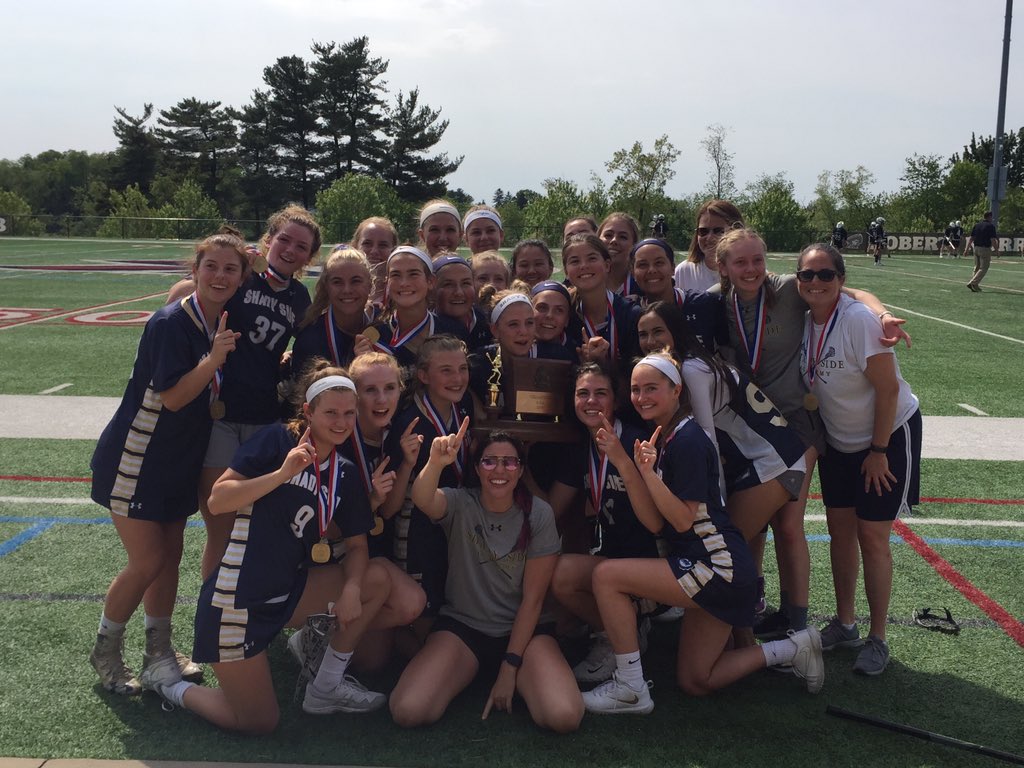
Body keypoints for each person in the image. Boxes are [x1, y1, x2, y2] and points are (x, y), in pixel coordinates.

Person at [154, 368, 397, 731]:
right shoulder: (277, 440)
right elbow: (218, 500)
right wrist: (282, 474)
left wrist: (351, 588)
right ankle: (172, 687)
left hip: (287, 592)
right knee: (259, 722)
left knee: (375, 579)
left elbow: (358, 544)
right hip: (239, 601)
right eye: (331, 412)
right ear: (308, 411)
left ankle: (325, 686)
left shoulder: (343, 471)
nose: (341, 422)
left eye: (349, 413)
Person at [581, 354, 823, 715]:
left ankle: (630, 686)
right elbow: (655, 523)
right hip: (710, 565)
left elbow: (681, 520)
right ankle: (793, 648)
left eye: (651, 388)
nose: (642, 397)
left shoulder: (688, 439)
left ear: (676, 390)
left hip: (715, 566)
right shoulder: (668, 436)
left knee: (606, 576)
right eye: (635, 389)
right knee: (696, 680)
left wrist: (646, 474)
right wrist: (623, 463)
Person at [712, 227, 910, 639]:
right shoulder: (716, 302)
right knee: (760, 524)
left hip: (797, 424)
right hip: (749, 427)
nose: (750, 269)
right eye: (740, 262)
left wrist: (882, 314)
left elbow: (851, 293)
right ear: (724, 267)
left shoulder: (788, 289)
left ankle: (797, 623)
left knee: (789, 524)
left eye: (757, 259)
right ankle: (763, 608)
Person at [89, 232, 249, 696]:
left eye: (230, 269)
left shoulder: (217, 320)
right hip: (137, 456)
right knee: (148, 559)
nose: (220, 276)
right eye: (211, 266)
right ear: (194, 271)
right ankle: (105, 650)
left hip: (178, 459)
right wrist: (214, 358)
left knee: (171, 559)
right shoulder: (171, 322)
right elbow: (174, 397)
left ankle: (158, 652)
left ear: (242, 278)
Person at [389, 425, 584, 732]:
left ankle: (514, 675)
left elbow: (533, 601)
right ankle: (462, 668)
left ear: (521, 470)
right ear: (478, 468)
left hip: (526, 634)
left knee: (563, 716)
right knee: (408, 710)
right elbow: (423, 498)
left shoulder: (539, 513)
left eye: (510, 462)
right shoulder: (461, 502)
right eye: (490, 461)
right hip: (464, 628)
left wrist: (509, 667)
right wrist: (436, 463)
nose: (500, 470)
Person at [796, 244, 922, 676]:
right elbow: (859, 290)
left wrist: (878, 451)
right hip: (838, 441)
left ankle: (878, 637)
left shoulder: (857, 321)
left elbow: (888, 390)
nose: (816, 282)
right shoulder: (804, 315)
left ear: (840, 279)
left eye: (825, 275)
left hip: (886, 436)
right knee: (840, 532)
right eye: (807, 274)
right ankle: (846, 623)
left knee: (872, 536)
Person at [196, 206, 320, 581]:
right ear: (268, 240)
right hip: (221, 414)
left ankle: (248, 602)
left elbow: (305, 347)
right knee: (220, 523)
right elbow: (193, 293)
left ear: (310, 257)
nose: (290, 250)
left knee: (256, 524)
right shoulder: (242, 276)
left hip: (265, 418)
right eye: (284, 239)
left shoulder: (300, 297)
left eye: (301, 246)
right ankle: (211, 607)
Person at [548, 363, 658, 683]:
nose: (591, 401)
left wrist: (623, 461)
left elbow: (657, 521)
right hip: (614, 557)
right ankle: (622, 631)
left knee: (592, 574)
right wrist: (522, 470)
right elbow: (551, 510)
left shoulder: (637, 440)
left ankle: (625, 633)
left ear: (616, 400)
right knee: (561, 573)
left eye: (601, 393)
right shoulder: (581, 448)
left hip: (656, 559)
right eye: (583, 393)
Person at [380, 335, 474, 632]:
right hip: (416, 527)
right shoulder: (408, 423)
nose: (457, 378)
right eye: (446, 370)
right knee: (421, 621)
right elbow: (388, 508)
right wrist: (407, 463)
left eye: (462, 369)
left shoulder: (463, 407)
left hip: (451, 522)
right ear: (423, 375)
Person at [358, 246, 466, 370]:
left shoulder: (453, 331)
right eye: (396, 275)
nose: (404, 283)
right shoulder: (373, 337)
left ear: (430, 281)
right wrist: (362, 364)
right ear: (387, 283)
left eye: (413, 274)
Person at [291, 247, 373, 376]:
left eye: (356, 281)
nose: (347, 290)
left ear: (370, 285)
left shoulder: (382, 331)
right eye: (337, 282)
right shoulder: (310, 340)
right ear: (326, 287)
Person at [562, 233, 641, 367]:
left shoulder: (632, 315)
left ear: (607, 265)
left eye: (592, 259)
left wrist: (602, 363)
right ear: (566, 272)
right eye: (575, 261)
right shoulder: (565, 317)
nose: (584, 266)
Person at [673, 199, 744, 294]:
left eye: (718, 231)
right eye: (703, 231)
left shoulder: (748, 270)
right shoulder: (684, 271)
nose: (709, 238)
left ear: (736, 231)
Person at [433, 254, 492, 351]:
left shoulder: (487, 321)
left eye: (466, 283)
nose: (459, 292)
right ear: (432, 288)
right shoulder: (427, 328)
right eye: (448, 284)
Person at [351, 216, 399, 307]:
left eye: (383, 245)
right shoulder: (341, 290)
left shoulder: (401, 292)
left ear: (394, 250)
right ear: (354, 247)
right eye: (367, 243)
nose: (374, 251)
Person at [598, 212, 641, 299]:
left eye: (622, 237)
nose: (614, 240)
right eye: (608, 235)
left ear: (634, 245)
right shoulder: (585, 283)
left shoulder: (643, 285)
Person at [965, 211, 999, 292]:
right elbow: (993, 240)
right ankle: (973, 283)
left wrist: (966, 249)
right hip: (985, 248)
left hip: (976, 248)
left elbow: (971, 238)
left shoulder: (977, 225)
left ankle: (975, 285)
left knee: (977, 267)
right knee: (984, 268)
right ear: (989, 217)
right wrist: (997, 250)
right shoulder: (990, 226)